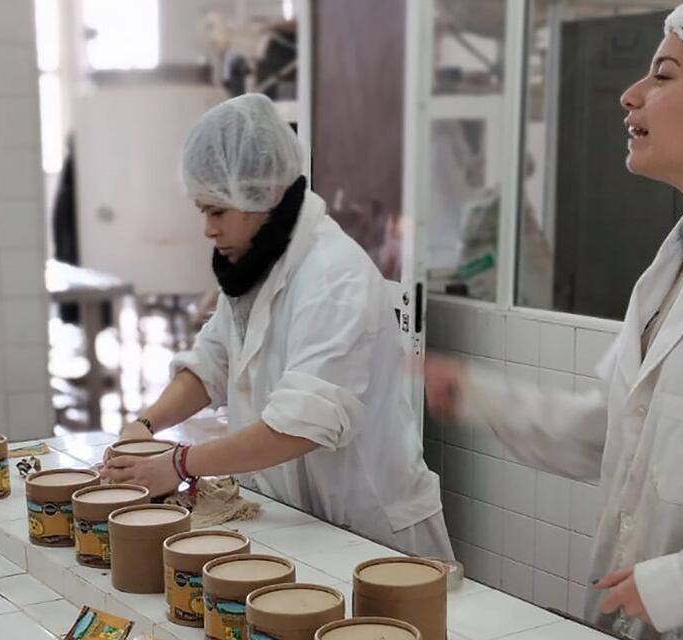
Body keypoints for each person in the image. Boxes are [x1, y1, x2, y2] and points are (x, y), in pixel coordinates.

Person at [426, 1, 683, 638]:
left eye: (663, 76)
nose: (630, 96)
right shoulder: (680, 260)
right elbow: (611, 431)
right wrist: (475, 396)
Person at [102, 93, 452, 559]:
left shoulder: (333, 276)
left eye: (215, 211)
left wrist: (182, 464)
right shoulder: (258, 265)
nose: (207, 229)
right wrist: (145, 425)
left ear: (261, 194)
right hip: (298, 518)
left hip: (370, 530)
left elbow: (301, 427)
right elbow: (213, 363)